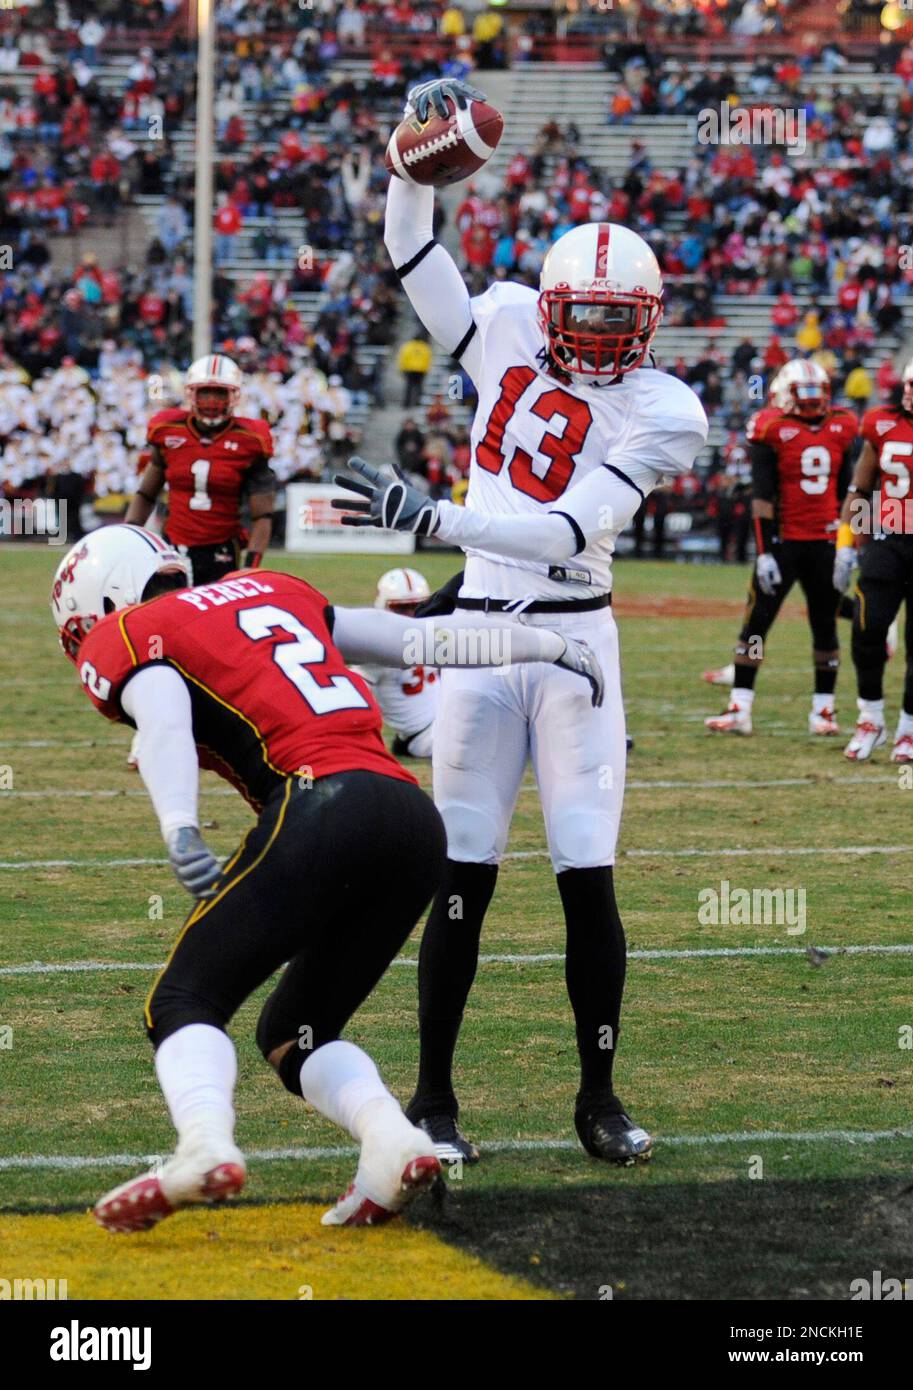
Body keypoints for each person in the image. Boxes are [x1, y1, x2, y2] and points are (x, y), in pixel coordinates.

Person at [335, 77, 708, 1167]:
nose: (596, 341)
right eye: (582, 318)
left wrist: (433, 513)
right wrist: (407, 160)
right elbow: (409, 240)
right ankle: (435, 1098)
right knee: (463, 869)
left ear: (645, 321)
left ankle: (597, 1095)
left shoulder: (661, 410)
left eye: (615, 323)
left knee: (584, 870)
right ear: (547, 308)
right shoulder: (495, 321)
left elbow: (563, 528)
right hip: (482, 638)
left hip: (575, 641)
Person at [49, 526, 604, 1232]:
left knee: (183, 998)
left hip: (321, 804)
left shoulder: (132, 629)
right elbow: (415, 642)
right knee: (296, 1032)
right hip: (408, 820)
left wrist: (178, 825)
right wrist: (543, 644)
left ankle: (203, 1146)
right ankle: (393, 1142)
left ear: (110, 597)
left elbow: (159, 714)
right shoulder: (275, 589)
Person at [705, 360, 858, 736]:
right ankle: (741, 706)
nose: (810, 401)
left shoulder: (842, 426)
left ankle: (824, 711)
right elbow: (761, 498)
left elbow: (850, 493)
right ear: (785, 395)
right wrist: (764, 551)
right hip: (784, 542)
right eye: (802, 394)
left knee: (826, 628)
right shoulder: (770, 427)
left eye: (816, 393)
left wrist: (847, 545)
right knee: (756, 627)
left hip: (823, 542)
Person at [124, 354, 276, 585]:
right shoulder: (167, 429)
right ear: (191, 393)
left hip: (222, 549)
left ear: (233, 395)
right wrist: (128, 537)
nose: (211, 400)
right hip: (173, 546)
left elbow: (262, 516)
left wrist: (250, 567)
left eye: (219, 393)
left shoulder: (251, 439)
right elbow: (146, 493)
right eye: (205, 392)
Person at [835, 357, 913, 762]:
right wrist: (846, 544)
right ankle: (871, 718)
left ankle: (909, 729)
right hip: (888, 538)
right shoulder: (882, 422)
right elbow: (860, 488)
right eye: (908, 383)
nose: (909, 390)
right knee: (867, 628)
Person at [356, 568, 439, 758]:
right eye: (401, 608)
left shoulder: (430, 630)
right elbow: (356, 692)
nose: (410, 615)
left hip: (440, 726)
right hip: (428, 736)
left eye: (416, 606)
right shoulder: (378, 646)